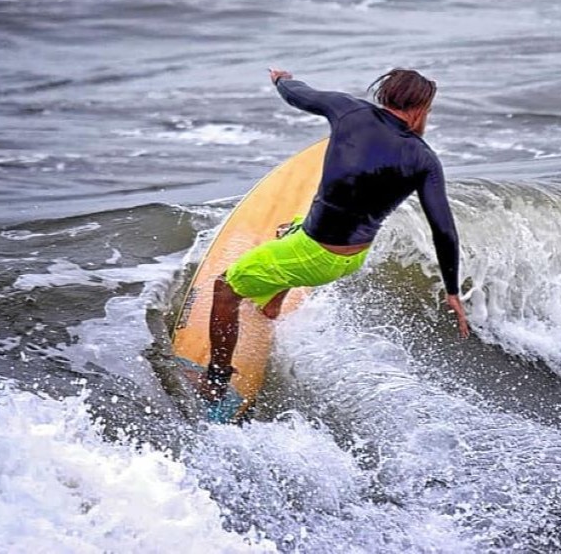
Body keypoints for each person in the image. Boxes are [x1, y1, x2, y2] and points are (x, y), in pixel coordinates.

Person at [195, 68, 468, 405]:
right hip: (352, 257)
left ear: (384, 93)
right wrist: (452, 290)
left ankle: (216, 379)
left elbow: (299, 94)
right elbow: (444, 229)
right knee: (291, 225)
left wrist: (281, 79)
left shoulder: (349, 110)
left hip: (316, 256)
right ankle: (273, 301)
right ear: (422, 107)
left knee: (224, 288)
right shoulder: (424, 158)